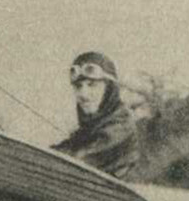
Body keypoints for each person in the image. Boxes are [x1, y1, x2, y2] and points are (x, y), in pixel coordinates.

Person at [52, 50, 153, 179]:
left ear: (109, 90)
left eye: (92, 85)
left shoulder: (121, 125)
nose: (83, 94)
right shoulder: (92, 127)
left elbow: (77, 161)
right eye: (78, 86)